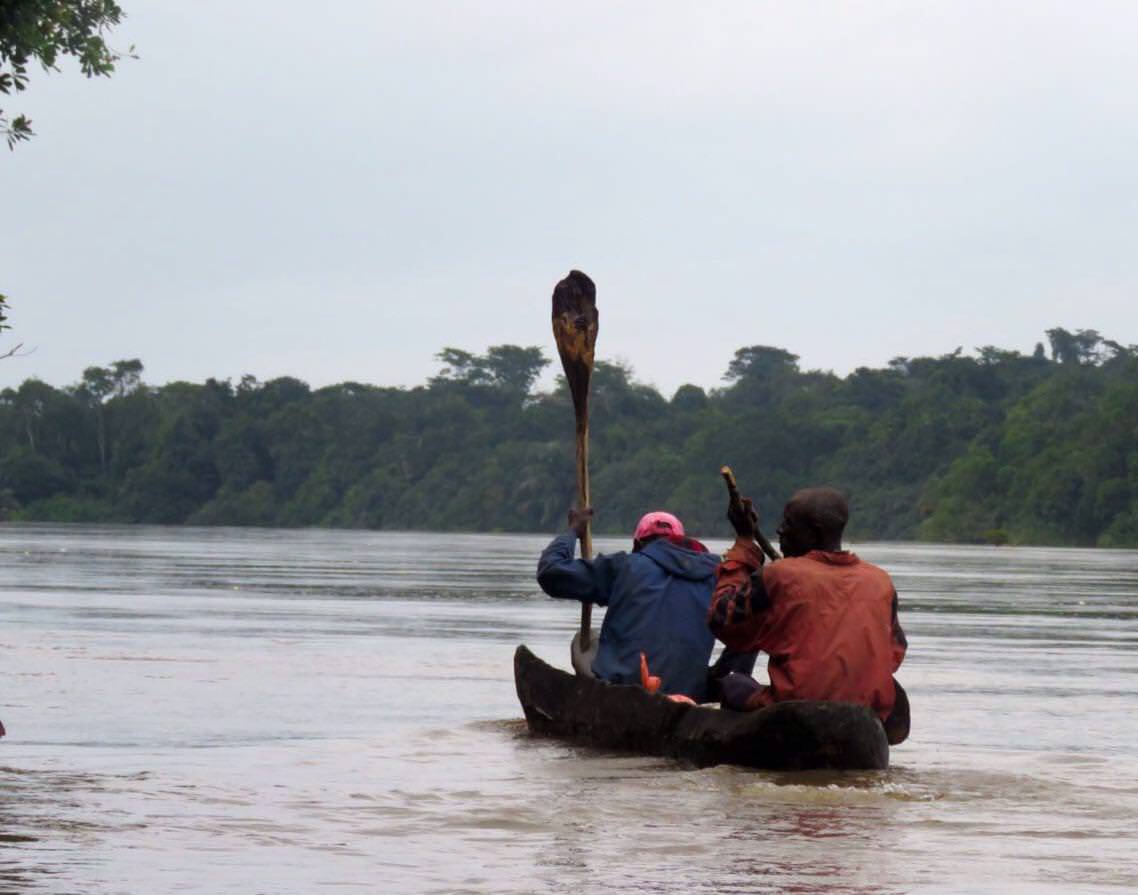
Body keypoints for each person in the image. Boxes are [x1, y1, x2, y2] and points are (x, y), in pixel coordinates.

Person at [707, 486, 907, 722]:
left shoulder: (781, 575)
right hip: (865, 712)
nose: (780, 530)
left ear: (814, 533)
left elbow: (721, 620)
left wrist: (743, 544)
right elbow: (894, 653)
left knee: (733, 683)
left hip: (795, 709)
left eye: (789, 524)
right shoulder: (880, 581)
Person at [537, 507, 747, 701]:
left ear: (638, 545)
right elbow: (750, 631)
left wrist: (573, 530)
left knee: (583, 645)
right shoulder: (719, 577)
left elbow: (551, 572)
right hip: (689, 695)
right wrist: (716, 674)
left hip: (623, 692)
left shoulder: (627, 566)